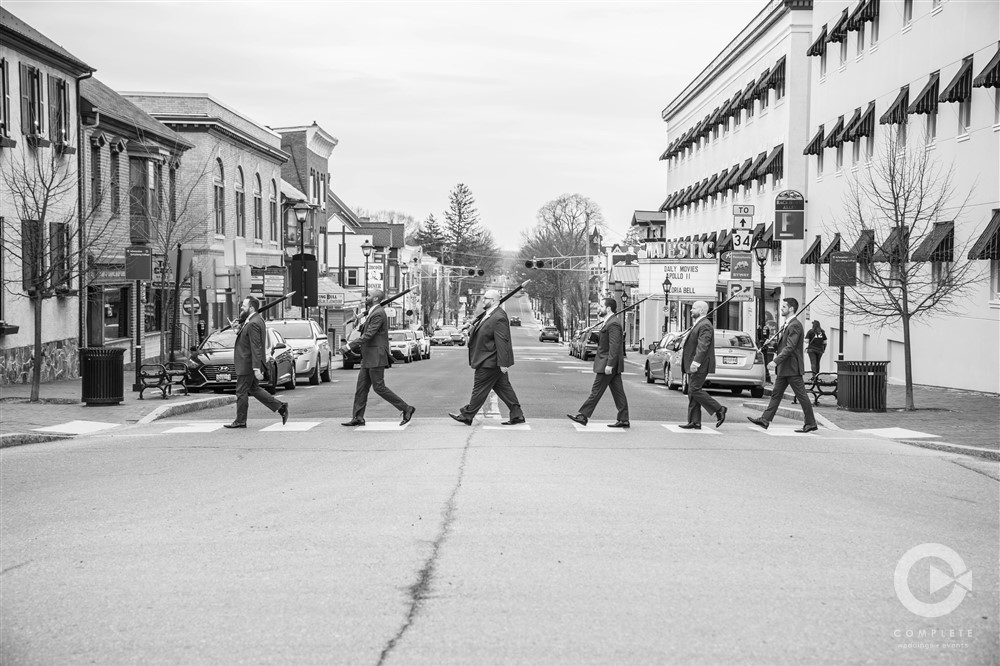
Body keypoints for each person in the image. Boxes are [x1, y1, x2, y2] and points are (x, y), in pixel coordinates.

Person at [449, 289, 525, 426]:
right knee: (503, 388)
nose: (483, 300)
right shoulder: (489, 314)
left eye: (486, 298)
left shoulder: (499, 317)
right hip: (490, 360)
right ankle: (517, 415)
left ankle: (467, 415)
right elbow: (482, 329)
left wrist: (503, 363)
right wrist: (470, 326)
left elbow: (502, 341)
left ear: (494, 301)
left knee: (479, 388)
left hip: (489, 361)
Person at [340, 289, 415, 427]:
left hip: (376, 356)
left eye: (369, 295)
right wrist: (358, 322)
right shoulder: (373, 312)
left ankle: (406, 408)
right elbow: (364, 330)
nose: (366, 297)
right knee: (361, 388)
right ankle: (358, 417)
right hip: (368, 356)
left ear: (375, 299)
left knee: (379, 387)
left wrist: (349, 346)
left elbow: (369, 335)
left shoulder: (379, 313)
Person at [748, 297, 819, 433]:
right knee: (776, 394)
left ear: (791, 309)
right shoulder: (787, 324)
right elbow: (783, 346)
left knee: (802, 396)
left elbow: (790, 347)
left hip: (791, 367)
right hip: (785, 368)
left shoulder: (795, 325)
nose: (781, 309)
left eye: (784, 307)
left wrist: (775, 361)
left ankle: (810, 423)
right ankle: (765, 419)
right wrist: (773, 344)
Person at [225, 296, 288, 429]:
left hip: (247, 364)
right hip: (247, 363)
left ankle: (240, 420)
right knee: (254, 388)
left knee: (241, 391)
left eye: (244, 306)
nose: (241, 307)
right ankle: (280, 407)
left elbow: (256, 346)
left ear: (251, 308)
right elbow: (248, 341)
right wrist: (238, 330)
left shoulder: (253, 322)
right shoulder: (253, 320)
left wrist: (256, 368)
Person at [567, 297, 630, 428]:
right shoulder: (608, 322)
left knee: (596, 391)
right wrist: (590, 334)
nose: (598, 308)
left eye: (601, 306)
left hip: (607, 364)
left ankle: (583, 416)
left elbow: (614, 346)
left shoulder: (613, 324)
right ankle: (623, 419)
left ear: (608, 308)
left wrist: (610, 365)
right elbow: (604, 341)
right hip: (608, 363)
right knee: (618, 393)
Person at [677, 300, 727, 430]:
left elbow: (703, 346)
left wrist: (696, 362)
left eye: (693, 308)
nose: (690, 310)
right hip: (695, 363)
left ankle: (719, 409)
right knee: (692, 392)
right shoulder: (699, 324)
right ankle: (695, 421)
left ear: (701, 310)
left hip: (700, 364)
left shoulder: (705, 325)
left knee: (694, 390)